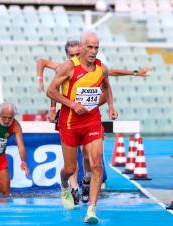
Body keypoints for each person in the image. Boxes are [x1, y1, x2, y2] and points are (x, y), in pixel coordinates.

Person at [37, 40, 152, 205]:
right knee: (71, 164)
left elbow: (110, 73)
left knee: (87, 154)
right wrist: (51, 105)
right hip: (69, 116)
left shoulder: (94, 66)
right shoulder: (64, 66)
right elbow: (50, 82)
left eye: (78, 53)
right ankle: (73, 187)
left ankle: (86, 182)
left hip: (88, 116)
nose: (77, 57)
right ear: (67, 55)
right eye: (72, 55)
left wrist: (135, 73)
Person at [46, 31, 118, 224]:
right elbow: (50, 91)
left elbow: (106, 87)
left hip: (92, 121)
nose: (94, 51)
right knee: (69, 168)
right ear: (82, 47)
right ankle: (64, 187)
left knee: (96, 166)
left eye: (97, 47)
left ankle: (91, 210)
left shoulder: (101, 68)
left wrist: (110, 106)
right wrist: (72, 104)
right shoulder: (69, 67)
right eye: (90, 47)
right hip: (70, 123)